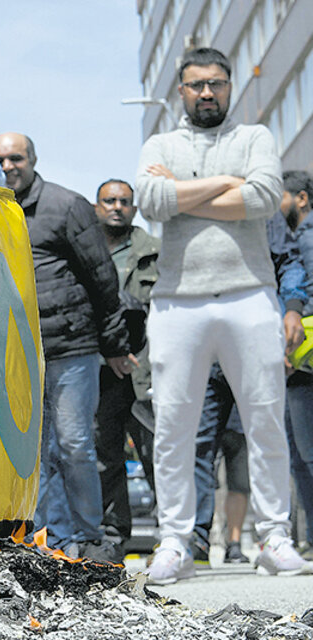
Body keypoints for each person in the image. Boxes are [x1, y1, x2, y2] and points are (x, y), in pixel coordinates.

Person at [135, 47, 312, 583]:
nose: (206, 93)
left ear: (229, 86)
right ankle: (175, 541)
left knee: (264, 421)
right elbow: (149, 198)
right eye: (196, 85)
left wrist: (181, 194)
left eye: (215, 83)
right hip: (176, 299)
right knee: (173, 426)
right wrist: (224, 186)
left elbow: (262, 198)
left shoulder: (254, 138)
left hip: (249, 293)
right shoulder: (160, 143)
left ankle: (274, 536)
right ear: (181, 91)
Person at [0, 132, 134, 561]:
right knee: (34, 455)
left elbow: (103, 279)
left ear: (32, 159)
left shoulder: (65, 206)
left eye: (15, 157)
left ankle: (89, 538)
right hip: (20, 354)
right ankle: (52, 540)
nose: (7, 166)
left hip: (72, 349)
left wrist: (113, 345)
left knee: (73, 445)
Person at [191, 208, 307, 568]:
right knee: (196, 447)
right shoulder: (191, 204)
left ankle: (268, 536)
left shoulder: (263, 210)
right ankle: (192, 541)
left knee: (257, 445)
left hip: (253, 346)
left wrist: (292, 310)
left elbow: (290, 262)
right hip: (205, 353)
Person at [92, 179, 159, 561]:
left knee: (156, 453)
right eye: (109, 201)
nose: (117, 206)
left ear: (134, 208)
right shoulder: (86, 250)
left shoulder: (154, 253)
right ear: (96, 205)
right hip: (102, 370)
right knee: (107, 454)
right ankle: (115, 535)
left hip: (145, 368)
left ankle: (173, 536)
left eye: (124, 201)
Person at [282, 169, 313, 560]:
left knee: (305, 454)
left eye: (281, 197)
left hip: (301, 359)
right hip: (299, 358)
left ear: (301, 199)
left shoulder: (303, 240)